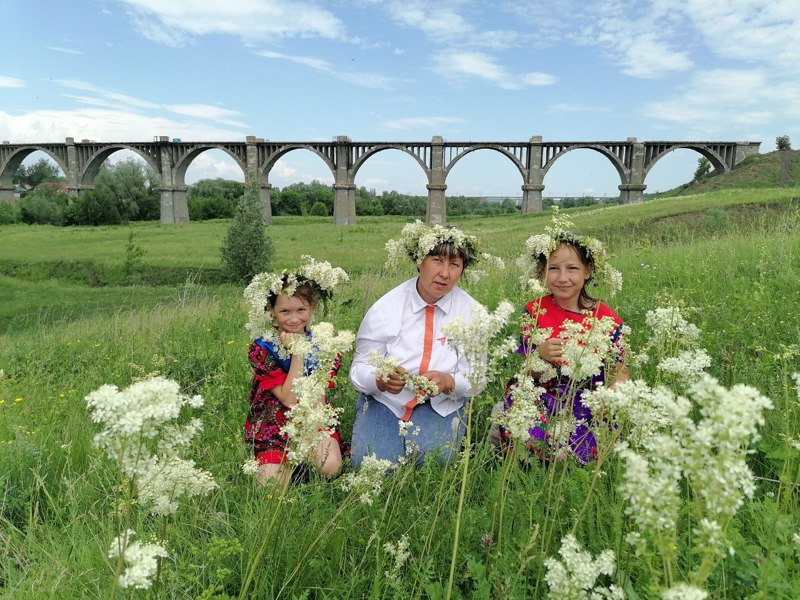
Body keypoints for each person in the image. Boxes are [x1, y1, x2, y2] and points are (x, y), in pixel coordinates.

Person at [349, 221, 501, 467]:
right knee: (372, 464)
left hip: (440, 405)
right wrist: (380, 379)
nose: (445, 273)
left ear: (463, 269)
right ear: (420, 260)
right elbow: (358, 370)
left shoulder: (472, 313)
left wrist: (449, 382)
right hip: (386, 401)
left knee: (435, 462)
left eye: (454, 264)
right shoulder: (386, 307)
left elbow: (478, 378)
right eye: (437, 260)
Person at [493, 219, 627, 464]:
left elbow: (620, 371)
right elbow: (526, 373)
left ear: (587, 271)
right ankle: (529, 455)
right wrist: (540, 354)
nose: (562, 277)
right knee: (528, 427)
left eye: (572, 269)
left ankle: (571, 459)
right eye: (553, 268)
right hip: (545, 397)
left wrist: (611, 397)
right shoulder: (534, 312)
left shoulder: (606, 318)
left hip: (588, 401)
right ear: (541, 272)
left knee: (587, 445)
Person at [242, 257, 350, 486]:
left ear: (313, 307)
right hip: (274, 420)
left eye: (301, 309)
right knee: (270, 484)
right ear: (271, 310)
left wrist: (312, 434)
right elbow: (289, 399)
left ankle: (302, 462)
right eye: (284, 311)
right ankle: (287, 465)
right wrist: (298, 353)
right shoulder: (263, 348)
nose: (293, 319)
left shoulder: (325, 345)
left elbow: (318, 398)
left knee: (330, 467)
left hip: (312, 413)